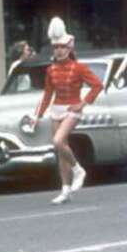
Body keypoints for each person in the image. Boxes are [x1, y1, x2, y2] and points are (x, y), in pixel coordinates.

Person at [25, 18, 103, 204]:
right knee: (60, 150)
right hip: (56, 109)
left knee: (58, 140)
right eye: (56, 47)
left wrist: (83, 103)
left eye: (62, 47)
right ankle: (65, 190)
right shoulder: (50, 70)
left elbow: (97, 85)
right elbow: (47, 94)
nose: (58, 51)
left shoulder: (78, 68)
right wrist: (38, 115)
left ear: (69, 49)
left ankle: (78, 170)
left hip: (72, 109)